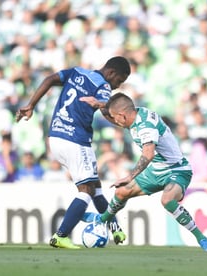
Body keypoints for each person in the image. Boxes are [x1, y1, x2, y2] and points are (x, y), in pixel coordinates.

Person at [16, 56, 131, 249]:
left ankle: (115, 228)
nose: (116, 86)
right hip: (75, 140)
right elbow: (107, 108)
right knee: (86, 190)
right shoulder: (103, 85)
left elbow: (50, 79)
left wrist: (31, 105)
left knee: (95, 186)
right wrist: (126, 123)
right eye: (118, 81)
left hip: (55, 137)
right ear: (111, 73)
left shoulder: (77, 72)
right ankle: (60, 235)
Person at [82, 93, 207, 252]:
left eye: (114, 118)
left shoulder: (145, 127)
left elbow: (148, 154)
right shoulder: (136, 112)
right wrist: (98, 104)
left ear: (122, 116)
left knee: (167, 200)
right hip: (157, 169)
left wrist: (130, 176)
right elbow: (118, 105)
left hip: (177, 169)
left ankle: (202, 238)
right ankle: (102, 219)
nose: (113, 122)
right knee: (121, 192)